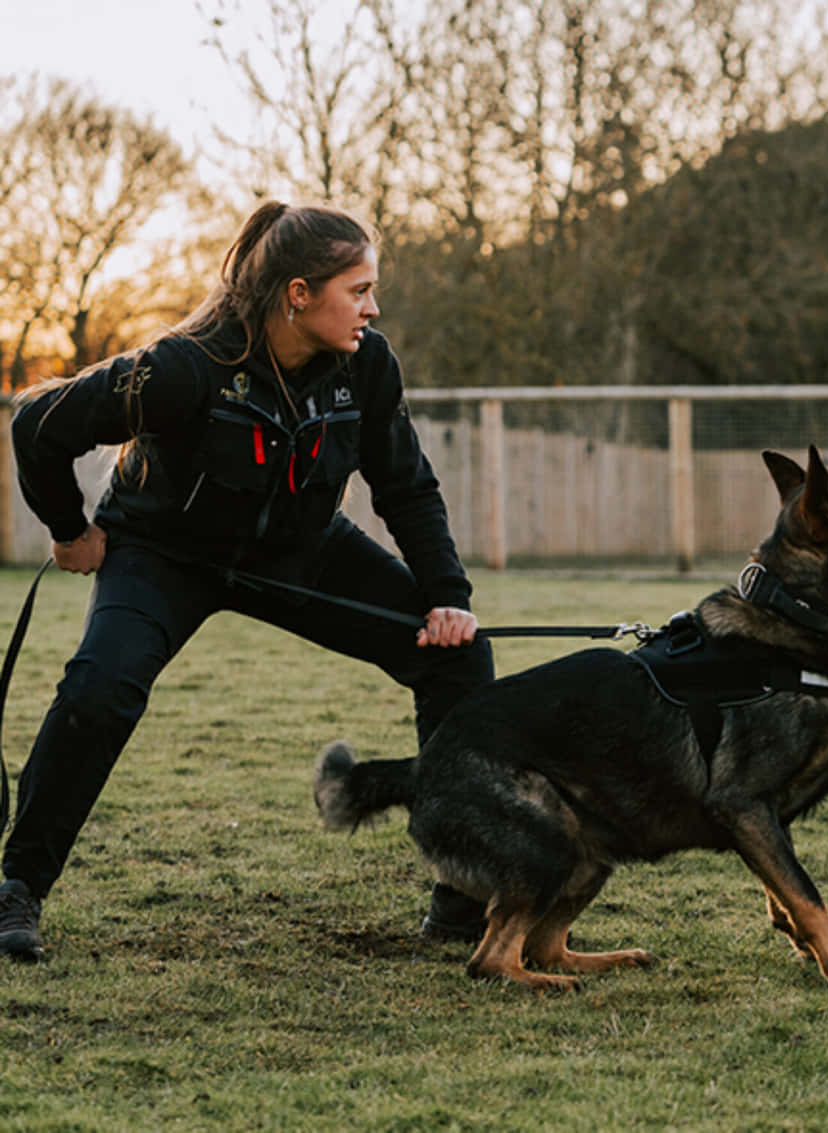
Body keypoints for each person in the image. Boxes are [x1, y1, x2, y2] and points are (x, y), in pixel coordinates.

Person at [0, 201, 495, 963]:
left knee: (456, 655)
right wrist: (70, 531)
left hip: (301, 554)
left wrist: (447, 597)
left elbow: (407, 486)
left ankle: (466, 897)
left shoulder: (367, 365)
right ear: (298, 293)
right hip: (165, 557)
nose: (373, 305)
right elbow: (38, 424)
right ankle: (18, 888)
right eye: (358, 288)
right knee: (100, 689)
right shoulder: (183, 367)